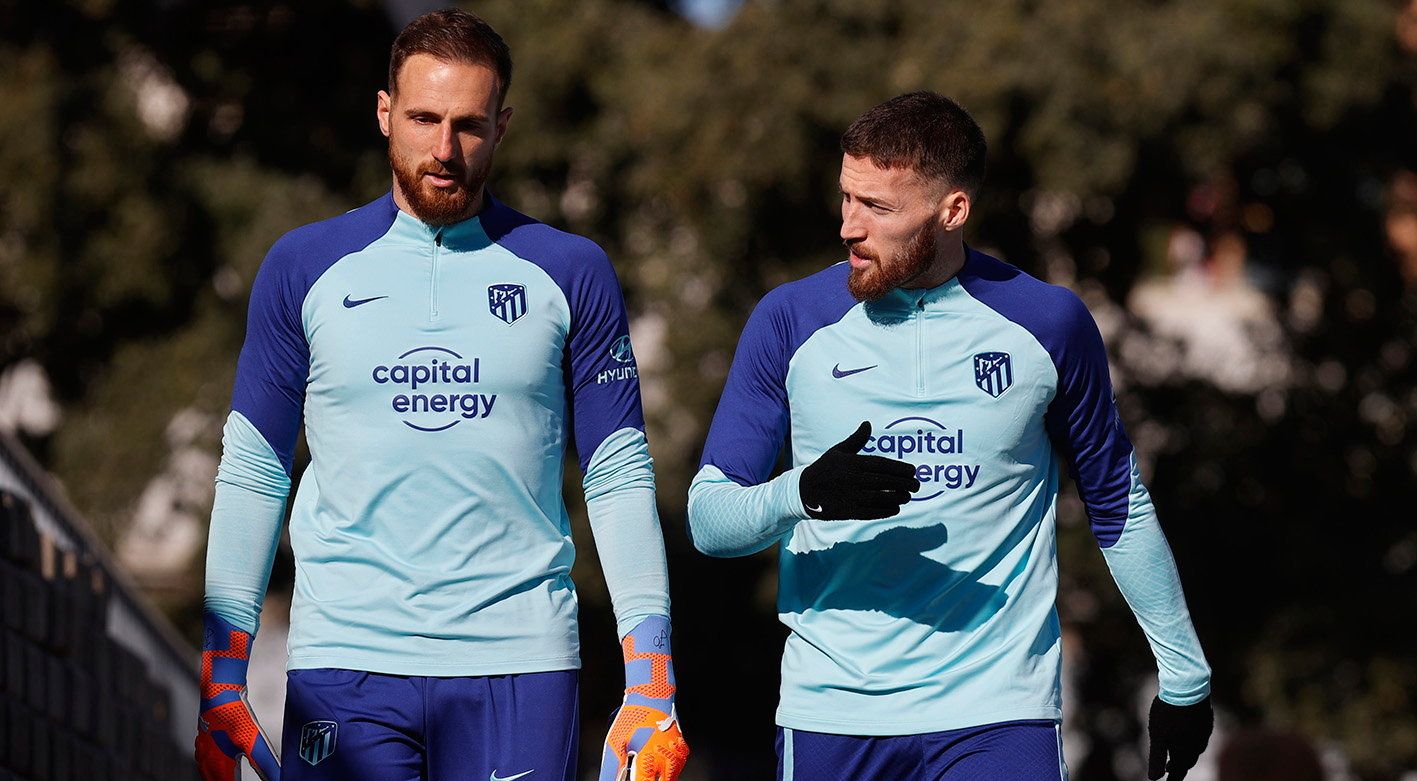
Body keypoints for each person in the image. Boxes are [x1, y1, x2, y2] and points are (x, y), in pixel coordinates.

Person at [194, 10, 689, 781]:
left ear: (503, 125)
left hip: (521, 666)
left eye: (468, 125)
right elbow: (253, 472)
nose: (444, 149)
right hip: (344, 663)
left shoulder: (571, 270)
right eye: (423, 118)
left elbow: (619, 477)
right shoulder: (302, 266)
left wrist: (651, 680)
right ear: (385, 111)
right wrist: (222, 675)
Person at [687, 91, 1212, 780]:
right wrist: (800, 494)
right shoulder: (789, 320)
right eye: (846, 197)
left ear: (952, 210)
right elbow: (707, 520)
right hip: (833, 714)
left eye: (876, 207)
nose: (848, 226)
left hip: (997, 713)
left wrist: (1185, 678)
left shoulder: (1047, 323)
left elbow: (1117, 501)